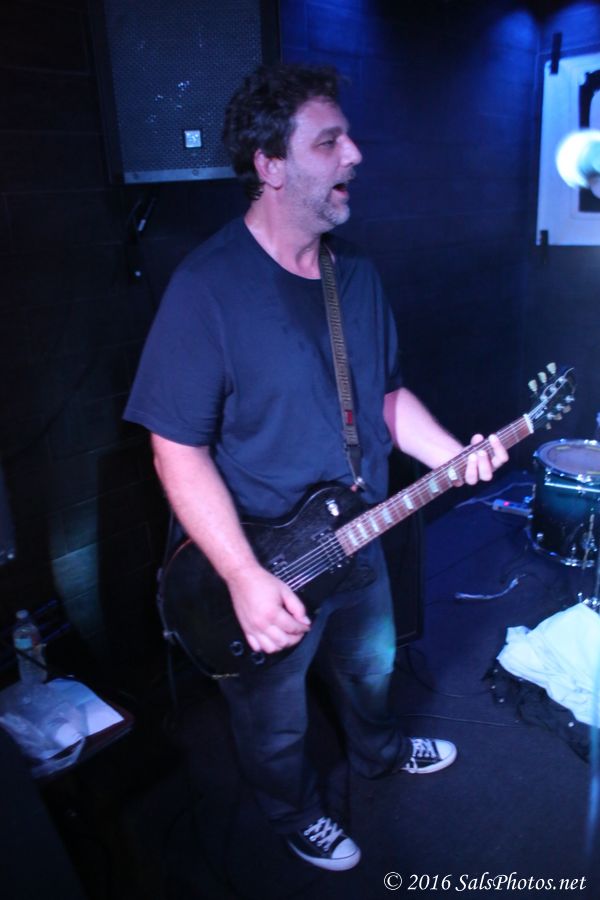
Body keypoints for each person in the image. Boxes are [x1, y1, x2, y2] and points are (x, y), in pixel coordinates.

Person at [124, 63, 508, 872]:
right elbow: (174, 448)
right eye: (329, 142)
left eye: (348, 137)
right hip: (265, 558)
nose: (354, 154)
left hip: (359, 530)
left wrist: (451, 456)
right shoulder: (206, 289)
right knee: (274, 721)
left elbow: (385, 394)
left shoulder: (355, 273)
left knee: (371, 669)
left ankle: (377, 753)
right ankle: (294, 811)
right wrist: (240, 575)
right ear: (270, 165)